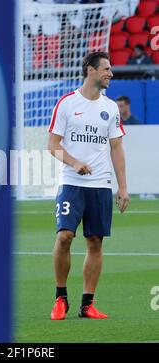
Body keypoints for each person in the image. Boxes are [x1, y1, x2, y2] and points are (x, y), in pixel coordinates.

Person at [47, 52, 130, 320]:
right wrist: (74, 163)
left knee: (95, 241)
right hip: (72, 182)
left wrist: (123, 187)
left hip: (101, 184)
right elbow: (52, 145)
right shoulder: (67, 104)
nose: (111, 74)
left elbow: (117, 148)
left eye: (110, 69)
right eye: (106, 69)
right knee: (64, 237)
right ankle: (61, 298)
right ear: (90, 71)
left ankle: (87, 304)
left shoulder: (111, 108)